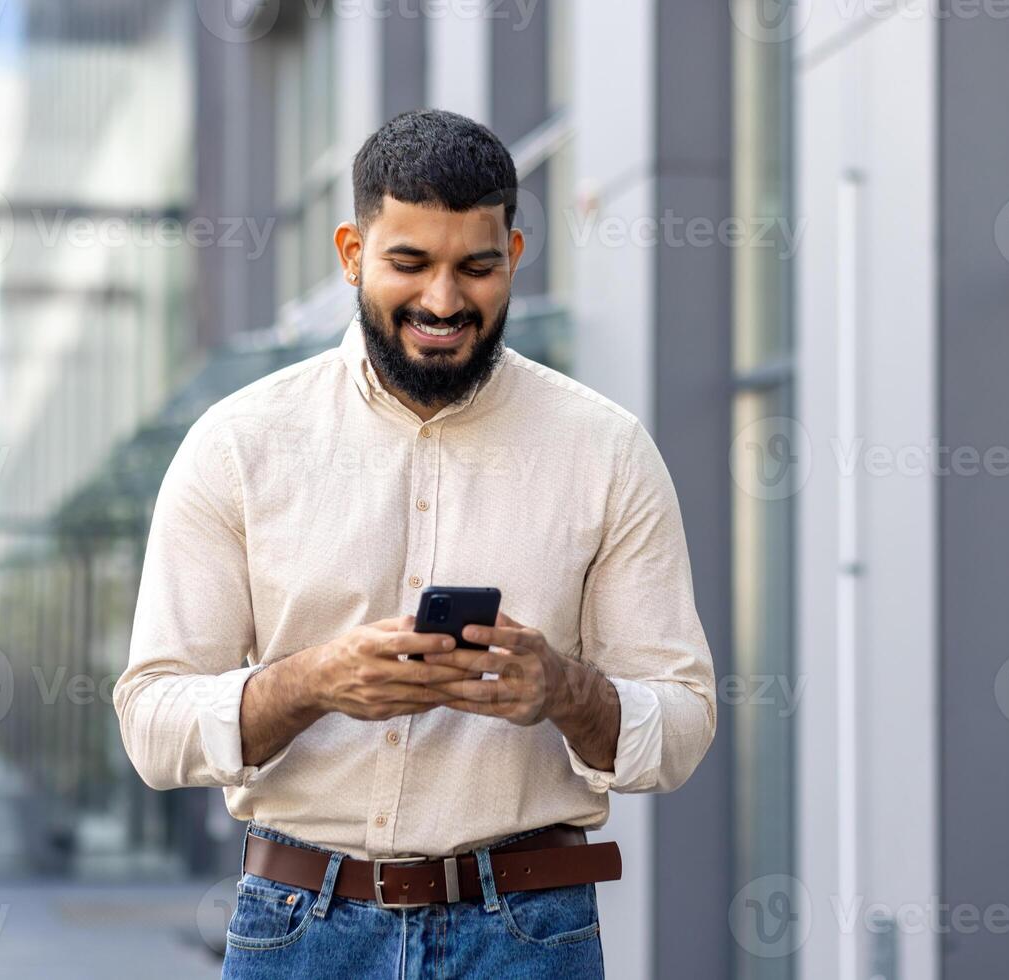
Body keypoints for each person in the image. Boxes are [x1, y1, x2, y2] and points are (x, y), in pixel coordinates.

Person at [114, 108, 716, 979]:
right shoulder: (238, 444)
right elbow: (152, 723)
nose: (443, 301)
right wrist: (314, 682)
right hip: (300, 933)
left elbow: (686, 720)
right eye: (409, 264)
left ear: (511, 258)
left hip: (529, 934)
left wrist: (564, 689)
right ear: (353, 254)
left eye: (475, 267)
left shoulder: (606, 450)